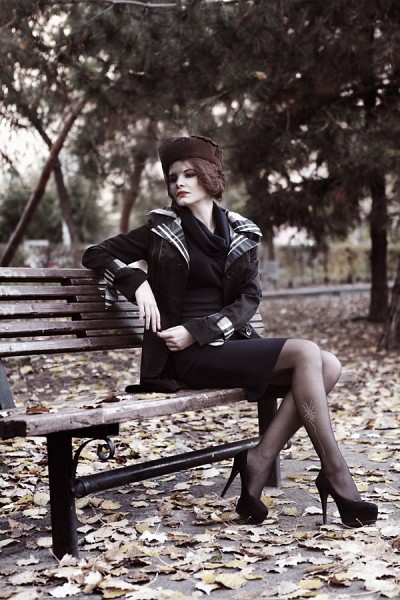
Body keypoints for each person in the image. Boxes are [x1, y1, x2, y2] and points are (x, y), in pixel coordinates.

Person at [82, 135, 378, 527]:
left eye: (189, 174)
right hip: (184, 355)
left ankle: (259, 458)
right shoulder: (161, 231)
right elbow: (95, 253)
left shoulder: (241, 233)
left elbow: (249, 298)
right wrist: (136, 282)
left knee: (330, 365)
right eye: (173, 177)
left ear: (210, 177)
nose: (179, 183)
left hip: (220, 342)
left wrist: (201, 329)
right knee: (309, 353)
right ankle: (334, 473)